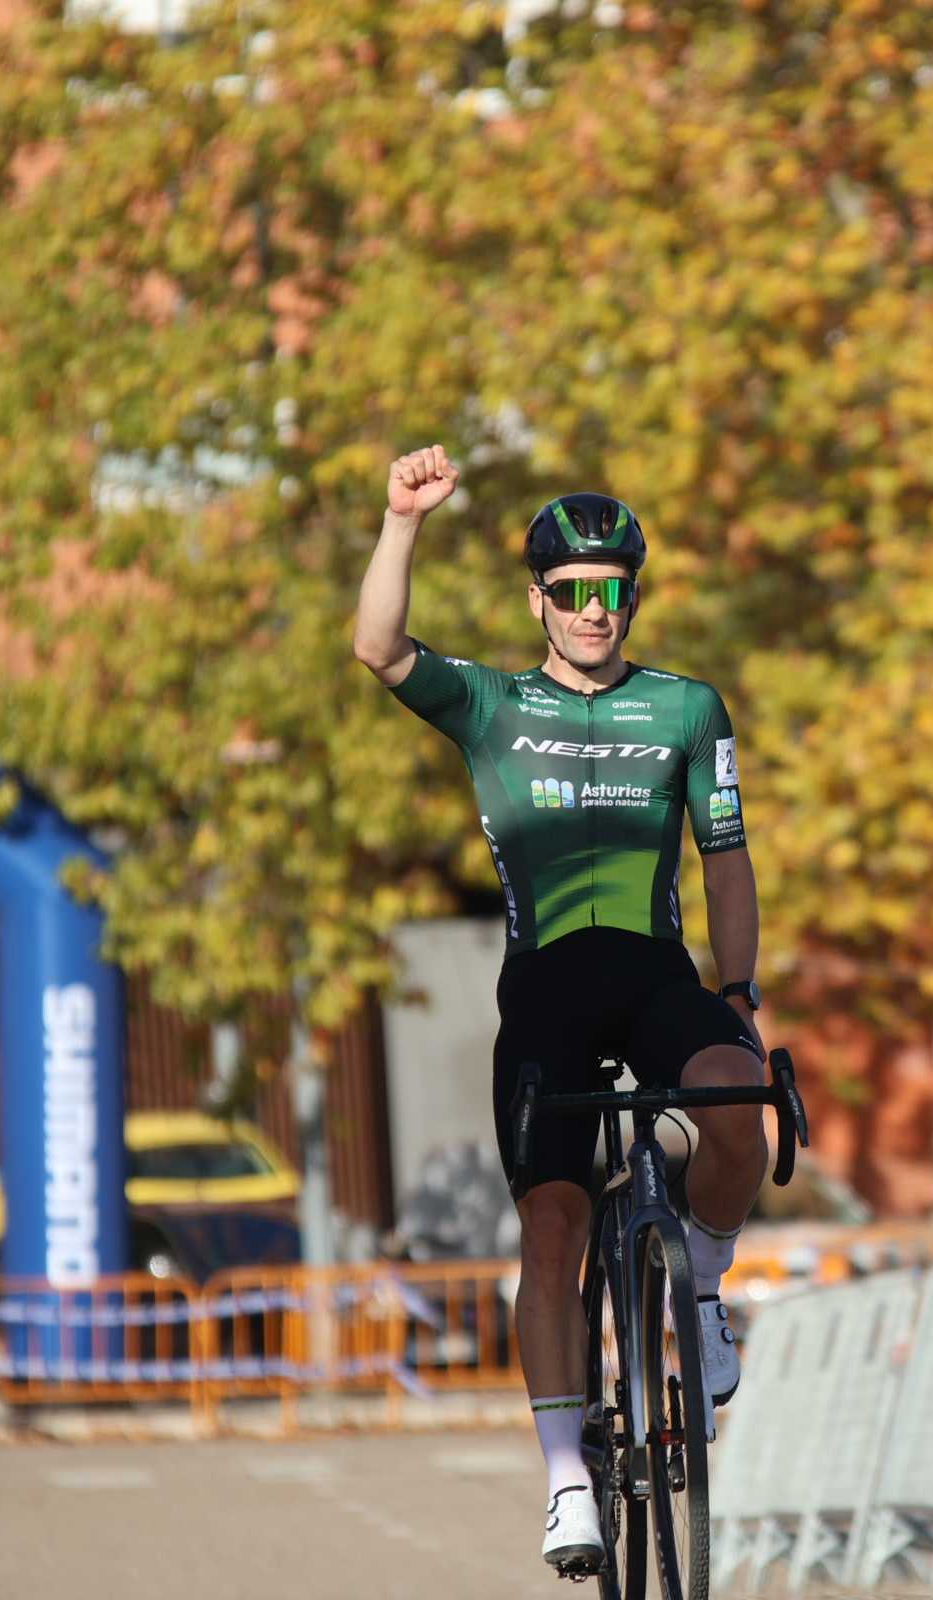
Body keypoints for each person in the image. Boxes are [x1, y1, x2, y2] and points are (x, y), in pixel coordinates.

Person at [353, 446, 767, 1575]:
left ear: (633, 596)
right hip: (544, 986)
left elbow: (725, 859)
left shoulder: (686, 708)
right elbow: (377, 648)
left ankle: (706, 1284)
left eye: (613, 588)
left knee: (740, 1101)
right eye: (573, 589)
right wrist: (402, 523)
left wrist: (739, 999)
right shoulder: (492, 702)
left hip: (655, 975)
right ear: (539, 599)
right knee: (552, 1221)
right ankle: (567, 1480)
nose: (595, 607)